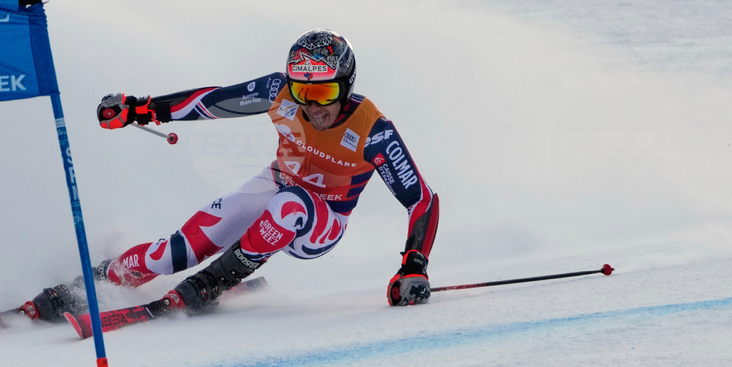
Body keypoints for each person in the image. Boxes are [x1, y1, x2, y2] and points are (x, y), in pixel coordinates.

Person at [23, 30, 439, 322]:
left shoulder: (372, 130)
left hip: (322, 222)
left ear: (345, 87)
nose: (312, 106)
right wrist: (140, 108)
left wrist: (413, 267)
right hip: (278, 183)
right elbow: (213, 101)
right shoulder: (279, 91)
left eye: (324, 94)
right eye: (301, 92)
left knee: (289, 204)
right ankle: (89, 286)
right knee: (178, 249)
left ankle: (211, 284)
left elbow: (422, 199)